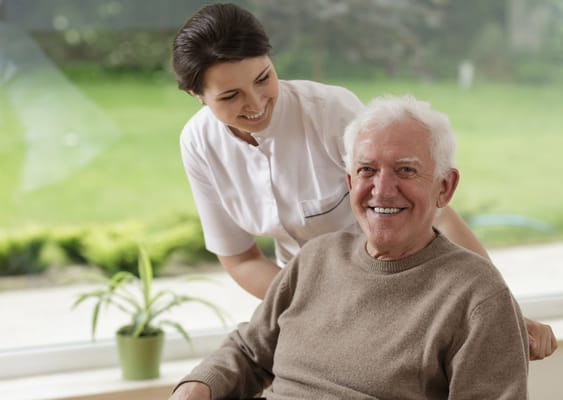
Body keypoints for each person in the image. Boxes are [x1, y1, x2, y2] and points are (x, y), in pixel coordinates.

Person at [171, 3, 556, 359]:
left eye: (263, 78)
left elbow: (433, 213)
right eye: (231, 95)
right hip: (305, 297)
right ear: (196, 95)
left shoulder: (329, 112)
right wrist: (312, 305)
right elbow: (240, 258)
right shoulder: (199, 144)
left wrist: (507, 314)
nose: (255, 103)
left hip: (401, 279)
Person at [168, 95, 530, 400]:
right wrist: (197, 387)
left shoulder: (477, 297)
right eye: (367, 170)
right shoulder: (316, 258)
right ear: (349, 181)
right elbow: (249, 352)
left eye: (405, 170)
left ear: (444, 187)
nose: (382, 189)